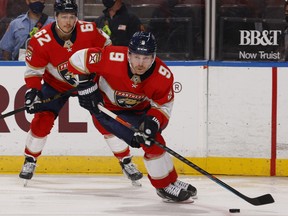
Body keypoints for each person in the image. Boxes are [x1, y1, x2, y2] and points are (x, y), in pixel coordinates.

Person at [20, 0, 142, 186]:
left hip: (89, 83)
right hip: (57, 85)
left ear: (76, 17)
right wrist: (33, 92)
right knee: (42, 118)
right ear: (56, 17)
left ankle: (126, 161)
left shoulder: (89, 30)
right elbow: (34, 71)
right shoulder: (41, 40)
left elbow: (107, 47)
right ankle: (30, 160)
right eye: (64, 17)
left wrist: (100, 73)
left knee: (105, 120)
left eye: (71, 17)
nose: (68, 21)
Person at [67, 31, 198, 202]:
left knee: (154, 138)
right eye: (136, 57)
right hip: (108, 111)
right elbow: (77, 59)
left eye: (146, 58)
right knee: (149, 142)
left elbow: (164, 105)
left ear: (154, 57)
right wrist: (85, 86)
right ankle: (163, 186)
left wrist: (153, 121)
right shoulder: (112, 57)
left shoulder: (163, 75)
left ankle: (170, 180)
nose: (140, 63)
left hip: (139, 112)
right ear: (128, 54)